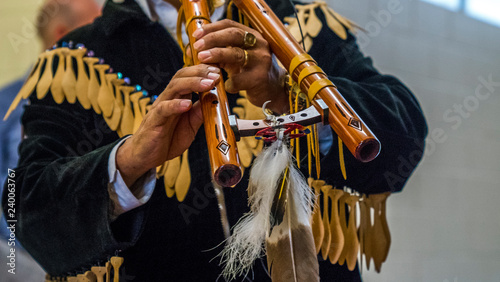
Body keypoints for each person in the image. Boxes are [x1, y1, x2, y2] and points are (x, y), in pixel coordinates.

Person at [2, 0, 427, 281]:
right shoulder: (76, 56)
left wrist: (287, 90)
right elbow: (25, 208)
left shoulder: (302, 22)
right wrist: (128, 161)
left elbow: (404, 139)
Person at [0, 0, 101, 241]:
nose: (107, 40)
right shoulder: (6, 106)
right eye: (95, 27)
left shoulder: (111, 100)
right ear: (63, 35)